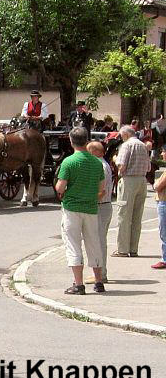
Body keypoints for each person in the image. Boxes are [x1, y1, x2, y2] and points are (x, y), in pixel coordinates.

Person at [55, 127, 106, 294]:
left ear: (71, 141)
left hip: (72, 208)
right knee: (93, 243)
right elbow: (102, 189)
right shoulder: (97, 163)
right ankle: (99, 282)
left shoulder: (69, 162)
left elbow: (60, 187)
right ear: (87, 141)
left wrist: (60, 188)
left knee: (73, 244)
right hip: (91, 208)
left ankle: (79, 284)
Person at [113, 125, 151, 257]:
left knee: (124, 215)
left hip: (129, 180)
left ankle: (122, 249)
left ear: (126, 134)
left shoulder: (127, 145)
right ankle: (133, 248)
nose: (120, 137)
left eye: (121, 135)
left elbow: (122, 166)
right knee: (137, 216)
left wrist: (115, 160)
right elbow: (148, 167)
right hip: (142, 180)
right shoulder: (142, 145)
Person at [86, 141, 114, 284]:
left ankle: (101, 273)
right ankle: (100, 272)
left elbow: (100, 191)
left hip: (100, 206)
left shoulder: (100, 166)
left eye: (89, 152)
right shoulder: (104, 164)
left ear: (95, 152)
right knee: (100, 240)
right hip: (105, 205)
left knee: (98, 242)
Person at [152, 148, 166, 270]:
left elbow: (157, 186)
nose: (162, 154)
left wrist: (156, 183)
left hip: (164, 202)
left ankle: (165, 259)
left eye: (163, 152)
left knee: (164, 232)